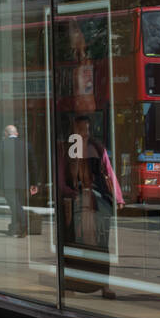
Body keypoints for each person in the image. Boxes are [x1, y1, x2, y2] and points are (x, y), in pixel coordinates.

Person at [63, 114, 124, 298]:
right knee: (74, 242)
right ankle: (72, 283)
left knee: (102, 243)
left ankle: (104, 284)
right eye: (80, 129)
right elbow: (68, 175)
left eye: (87, 129)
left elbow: (108, 171)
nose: (84, 133)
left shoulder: (97, 147)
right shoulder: (69, 148)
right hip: (77, 200)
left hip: (98, 199)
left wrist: (118, 197)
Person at [0, 124, 39, 237]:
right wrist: (34, 183)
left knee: (14, 205)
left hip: (8, 181)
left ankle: (23, 224)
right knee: (16, 204)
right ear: (16, 133)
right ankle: (14, 228)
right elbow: (33, 165)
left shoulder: (2, 145)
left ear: (6, 134)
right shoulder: (26, 145)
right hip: (22, 181)